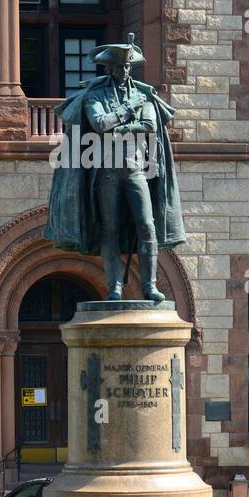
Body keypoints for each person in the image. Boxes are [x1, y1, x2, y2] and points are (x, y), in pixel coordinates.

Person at [45, 38, 185, 302]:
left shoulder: (144, 94)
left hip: (135, 171)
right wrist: (129, 112)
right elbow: (99, 123)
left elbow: (150, 126)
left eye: (127, 66)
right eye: (119, 66)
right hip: (105, 174)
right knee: (109, 229)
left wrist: (121, 126)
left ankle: (149, 285)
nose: (124, 70)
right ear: (109, 68)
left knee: (147, 225)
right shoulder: (94, 96)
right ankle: (115, 287)